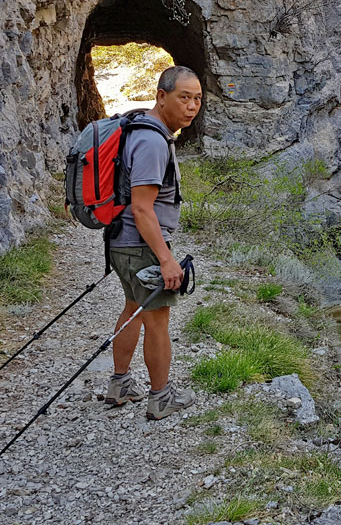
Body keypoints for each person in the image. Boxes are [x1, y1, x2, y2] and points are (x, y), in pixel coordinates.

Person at [104, 65, 202, 420]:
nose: (191, 107)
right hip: (140, 245)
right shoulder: (151, 141)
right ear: (162, 97)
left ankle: (120, 385)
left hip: (123, 243)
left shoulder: (143, 129)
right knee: (157, 319)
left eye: (197, 99)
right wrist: (165, 259)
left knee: (132, 308)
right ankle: (161, 398)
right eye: (183, 98)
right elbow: (143, 209)